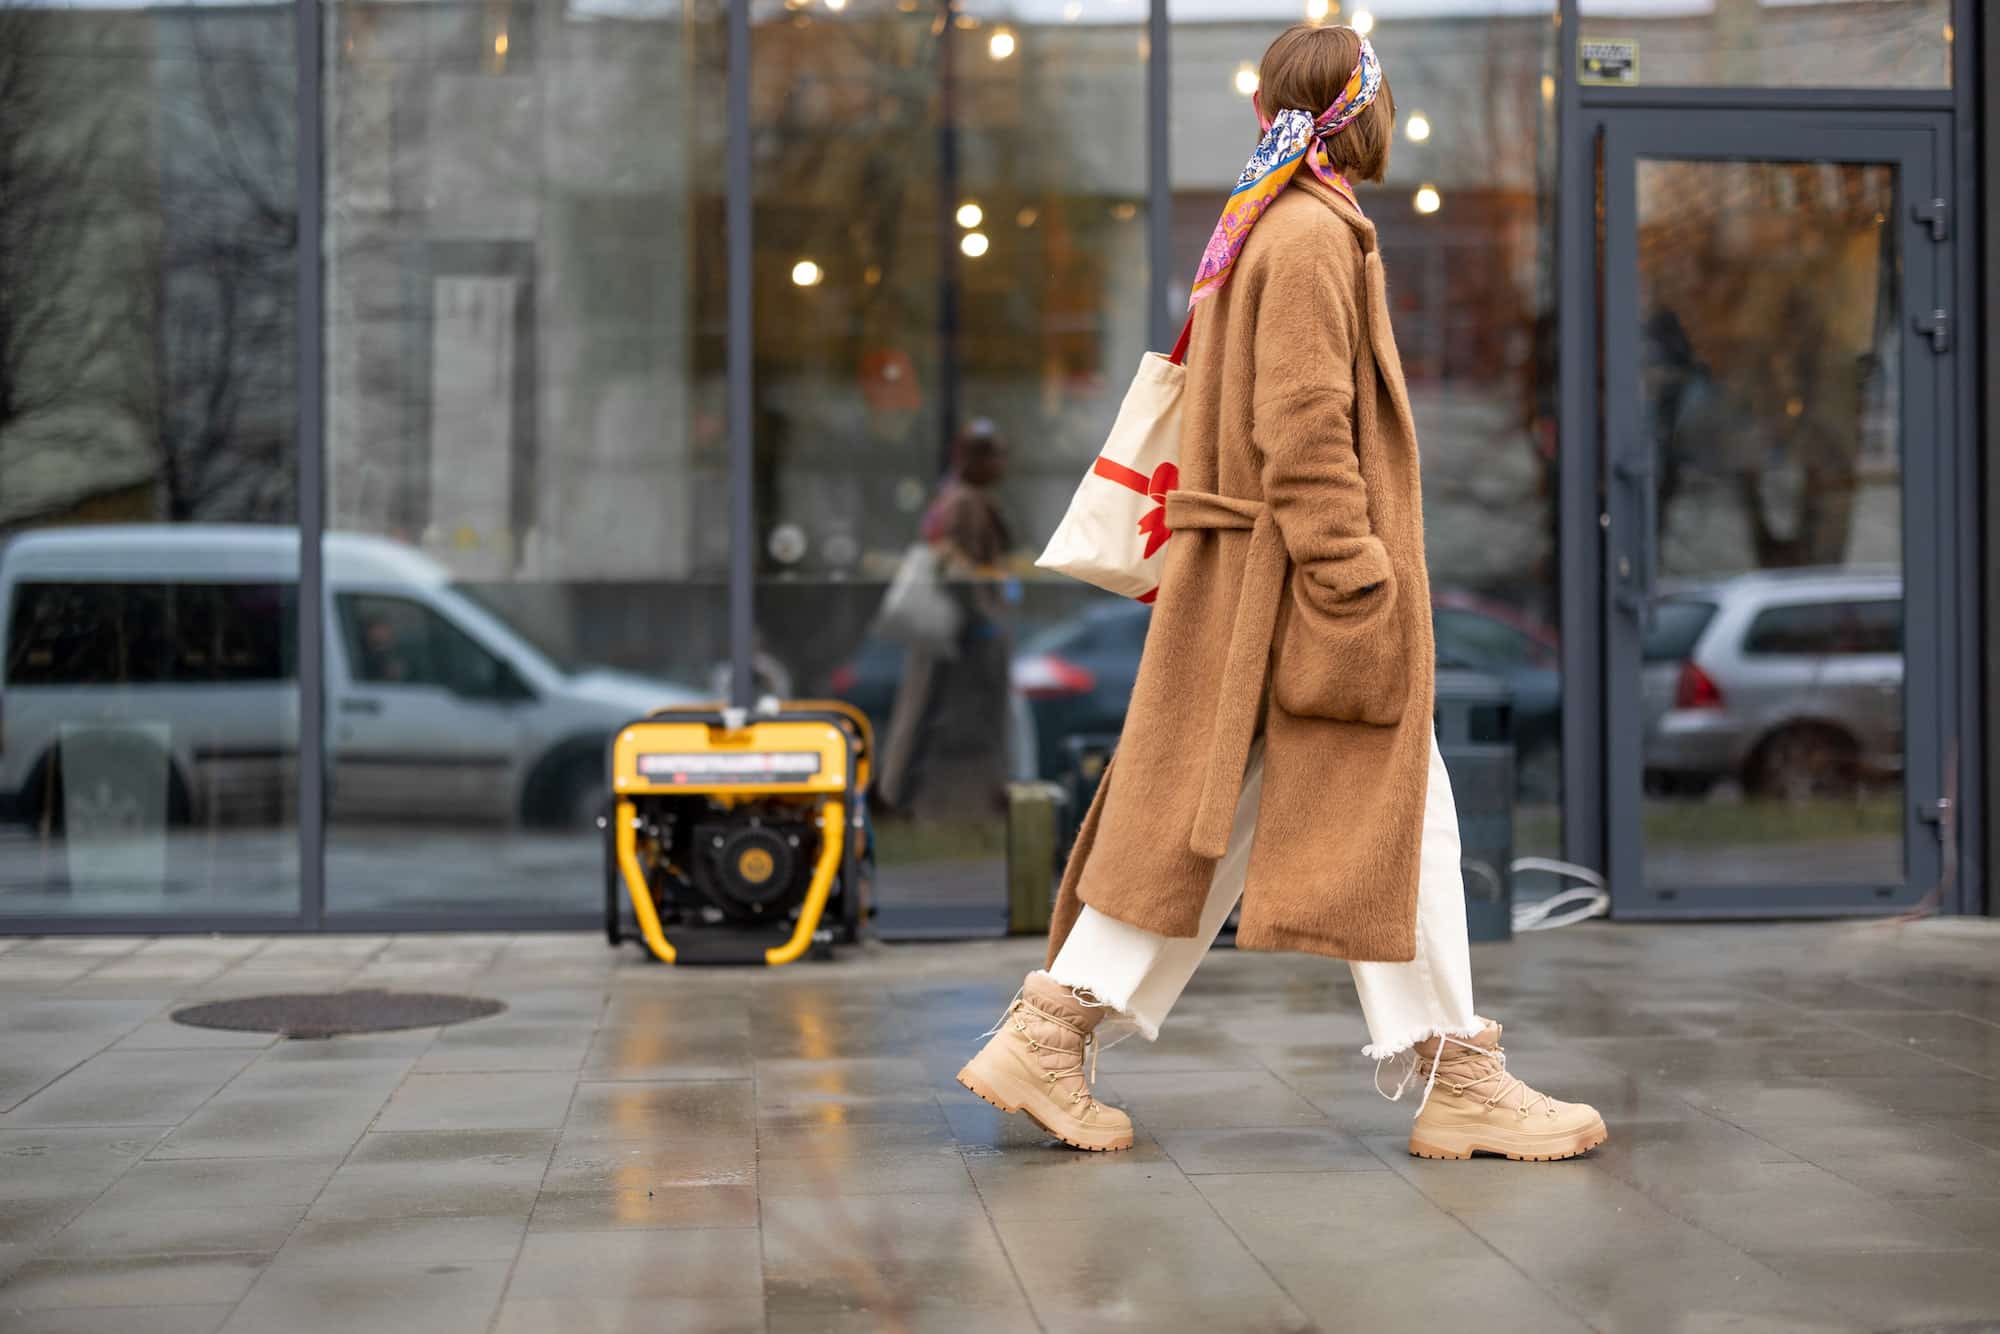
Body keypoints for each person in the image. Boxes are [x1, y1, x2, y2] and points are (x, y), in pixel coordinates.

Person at [957, 24, 1607, 1162]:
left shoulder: (1271, 221)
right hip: (1297, 593)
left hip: (1258, 590)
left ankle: (1053, 1029)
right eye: (1383, 101)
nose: (1389, 119)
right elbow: (1302, 430)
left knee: (1250, 821)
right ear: (1354, 109)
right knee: (1384, 814)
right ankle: (1454, 1071)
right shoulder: (1308, 234)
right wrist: (1355, 581)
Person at [876, 420, 1018, 821]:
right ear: (976, 458)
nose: (1002, 464)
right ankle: (896, 795)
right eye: (996, 455)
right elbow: (956, 562)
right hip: (957, 624)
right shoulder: (965, 502)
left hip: (956, 623)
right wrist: (983, 613)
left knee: (922, 710)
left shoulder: (958, 497)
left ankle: (900, 793)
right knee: (924, 710)